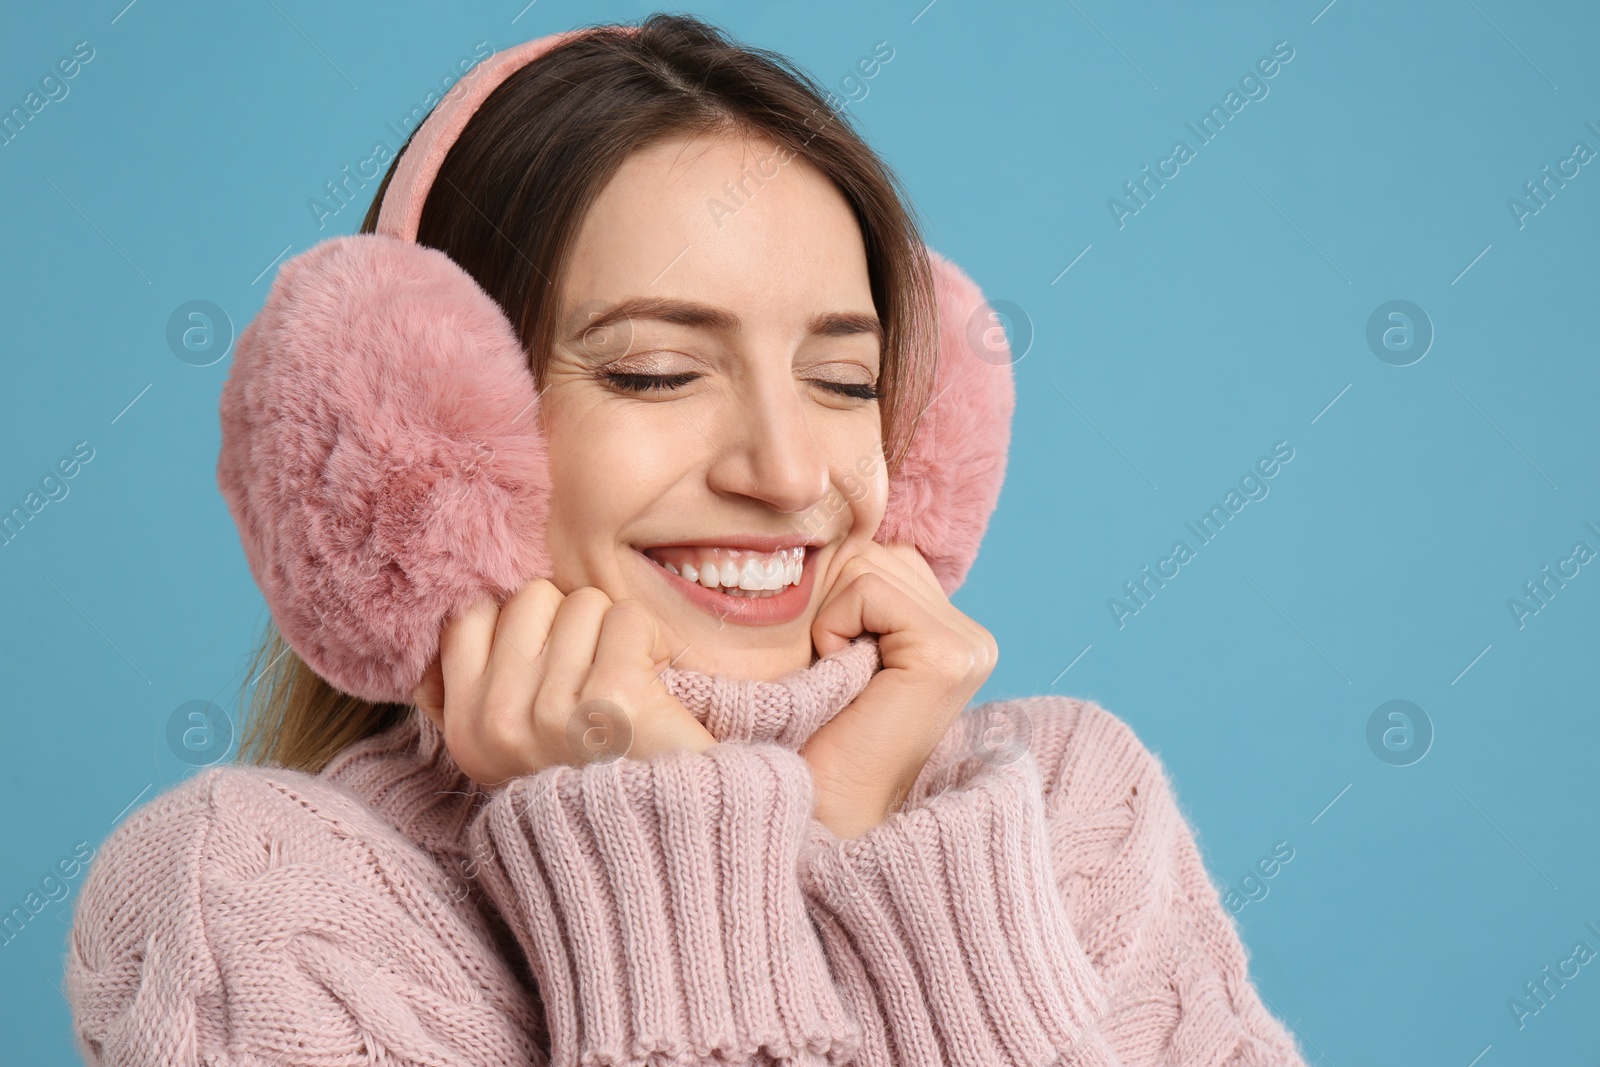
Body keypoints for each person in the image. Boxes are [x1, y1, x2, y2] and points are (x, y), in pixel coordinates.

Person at [63, 14, 1310, 1066]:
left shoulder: (1072, 810)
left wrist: (868, 838)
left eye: (841, 378)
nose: (785, 471)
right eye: (658, 373)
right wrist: (661, 849)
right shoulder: (253, 907)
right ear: (423, 439)